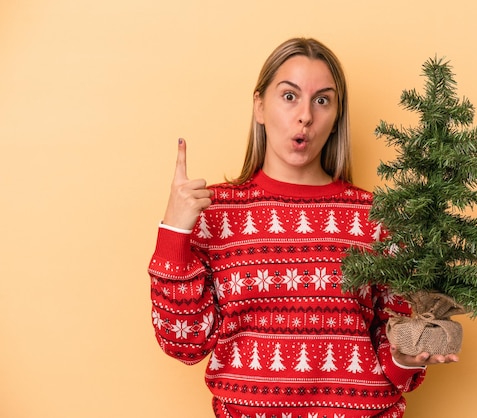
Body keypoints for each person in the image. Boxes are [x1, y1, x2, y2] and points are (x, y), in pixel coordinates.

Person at [148, 37, 458, 418]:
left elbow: (394, 356)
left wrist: (408, 356)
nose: (306, 116)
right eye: (289, 96)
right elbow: (185, 344)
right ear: (259, 106)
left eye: (322, 100)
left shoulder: (375, 215)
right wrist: (173, 234)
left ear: (335, 117)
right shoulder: (216, 212)